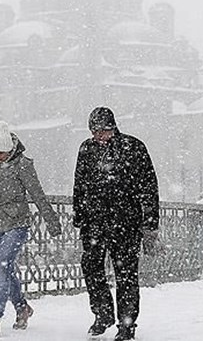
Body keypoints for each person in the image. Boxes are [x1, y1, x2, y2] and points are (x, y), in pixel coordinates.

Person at [0, 120, 62, 338]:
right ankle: (22, 307)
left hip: (16, 224)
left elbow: (37, 194)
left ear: (11, 149)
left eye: (2, 153)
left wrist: (52, 221)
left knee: (2, 267)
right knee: (4, 270)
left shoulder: (23, 165)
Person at [73, 106, 160, 341]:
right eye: (95, 131)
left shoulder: (133, 147)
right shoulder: (86, 149)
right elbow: (80, 183)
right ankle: (102, 314)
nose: (100, 136)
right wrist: (79, 213)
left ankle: (127, 324)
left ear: (113, 127)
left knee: (126, 274)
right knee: (91, 268)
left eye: (104, 130)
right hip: (94, 222)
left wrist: (150, 220)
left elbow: (149, 185)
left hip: (126, 222)